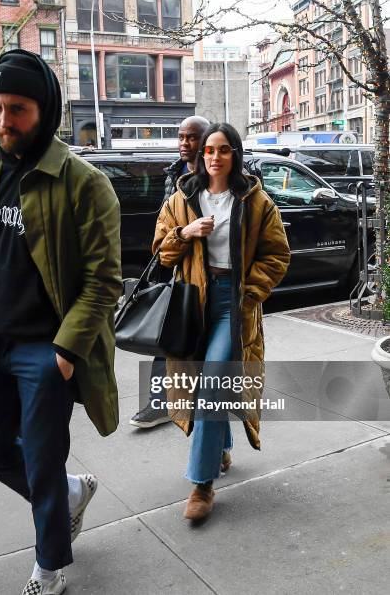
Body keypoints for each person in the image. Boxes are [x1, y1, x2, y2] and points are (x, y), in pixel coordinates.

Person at [0, 50, 122, 595]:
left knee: (44, 460)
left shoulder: (82, 182)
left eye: (19, 109)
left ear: (45, 110)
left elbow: (104, 281)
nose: (5, 121)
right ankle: (72, 495)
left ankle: (48, 569)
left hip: (46, 350)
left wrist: (67, 351)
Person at [153, 122, 290, 520]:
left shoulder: (255, 200)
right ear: (201, 156)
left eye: (224, 150)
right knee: (201, 385)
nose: (215, 157)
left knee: (213, 382)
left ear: (236, 154)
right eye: (209, 150)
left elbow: (278, 254)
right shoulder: (183, 197)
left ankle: (201, 484)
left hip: (234, 302)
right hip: (193, 302)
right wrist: (186, 232)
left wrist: (251, 293)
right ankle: (220, 446)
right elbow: (162, 252)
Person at [129, 115, 209, 429]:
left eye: (192, 137)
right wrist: (179, 237)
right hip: (179, 272)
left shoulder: (222, 176)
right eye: (181, 137)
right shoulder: (173, 175)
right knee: (168, 339)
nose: (184, 144)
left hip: (214, 281)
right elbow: (166, 230)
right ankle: (160, 402)